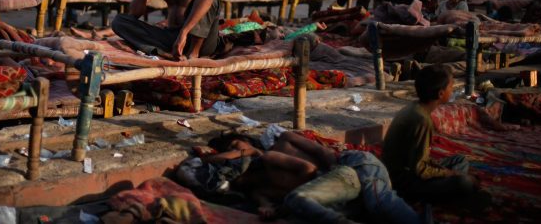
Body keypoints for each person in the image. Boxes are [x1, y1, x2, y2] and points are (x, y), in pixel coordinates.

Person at [206, 131, 425, 223]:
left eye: (236, 146)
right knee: (372, 211)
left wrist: (250, 152)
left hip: (351, 165)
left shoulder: (279, 145)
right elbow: (266, 206)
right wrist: (270, 210)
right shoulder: (258, 189)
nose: (236, 154)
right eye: (231, 153)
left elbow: (318, 159)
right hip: (335, 189)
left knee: (378, 202)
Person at [382, 65, 491, 209]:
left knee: (460, 160)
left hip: (409, 169)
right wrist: (450, 174)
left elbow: (420, 159)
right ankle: (453, 199)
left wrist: (445, 171)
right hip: (404, 182)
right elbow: (419, 169)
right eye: (451, 87)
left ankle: (454, 193)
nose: (452, 90)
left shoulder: (415, 108)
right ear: (440, 93)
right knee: (463, 182)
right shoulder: (421, 120)